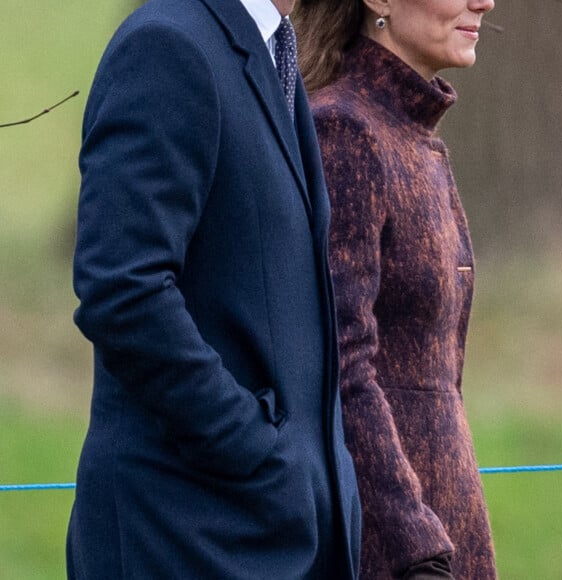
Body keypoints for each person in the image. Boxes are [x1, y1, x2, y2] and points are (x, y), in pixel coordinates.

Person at [66, 0, 361, 577]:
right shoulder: (167, 45)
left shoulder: (273, 46)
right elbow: (122, 289)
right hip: (187, 536)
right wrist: (250, 449)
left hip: (265, 536)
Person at [293, 0, 497, 578]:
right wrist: (412, 541)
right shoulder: (347, 132)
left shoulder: (408, 129)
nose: (483, 1)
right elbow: (344, 363)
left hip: (441, 519)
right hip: (394, 541)